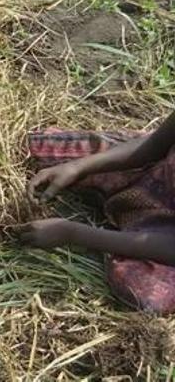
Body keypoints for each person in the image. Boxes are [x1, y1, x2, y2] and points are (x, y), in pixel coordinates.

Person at [20, 115, 175, 314]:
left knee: (146, 294)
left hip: (165, 235)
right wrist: (78, 167)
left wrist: (73, 233)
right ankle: (117, 201)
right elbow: (153, 145)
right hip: (153, 177)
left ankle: (117, 228)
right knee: (42, 147)